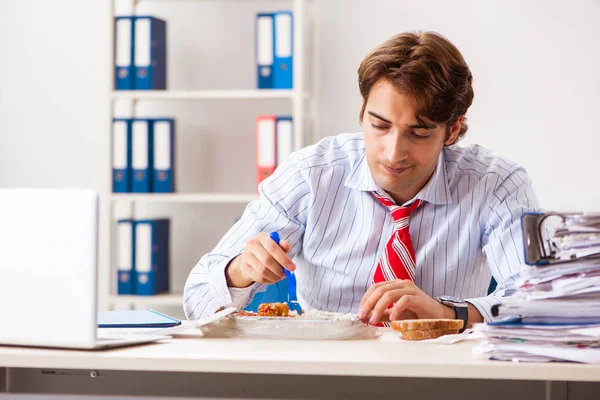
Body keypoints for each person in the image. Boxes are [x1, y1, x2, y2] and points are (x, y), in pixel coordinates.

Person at [183, 31, 539, 328]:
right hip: (325, 376)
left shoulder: (496, 183)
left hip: (440, 375)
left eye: (418, 133)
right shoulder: (311, 175)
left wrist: (448, 315)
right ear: (362, 112)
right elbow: (196, 300)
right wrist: (239, 271)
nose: (392, 152)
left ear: (453, 129)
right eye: (380, 125)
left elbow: (542, 303)